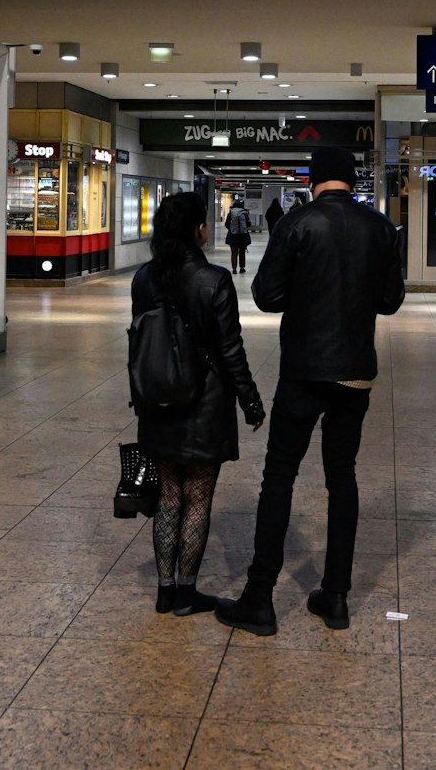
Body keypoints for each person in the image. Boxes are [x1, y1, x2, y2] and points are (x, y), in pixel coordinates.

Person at [218, 147, 404, 637]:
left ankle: (260, 598)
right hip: (355, 373)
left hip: (303, 370)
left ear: (316, 181)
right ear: (350, 181)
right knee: (342, 477)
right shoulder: (381, 228)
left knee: (279, 475)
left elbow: (266, 295)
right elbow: (390, 301)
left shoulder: (296, 224)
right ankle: (336, 597)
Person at [131, 192, 265, 616]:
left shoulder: (144, 278)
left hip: (158, 398)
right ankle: (188, 591)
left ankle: (165, 589)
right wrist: (251, 400)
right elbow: (230, 350)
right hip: (204, 400)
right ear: (196, 230)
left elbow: (139, 342)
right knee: (198, 495)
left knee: (169, 492)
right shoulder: (214, 280)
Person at [223, 200, 252, 273]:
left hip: (233, 236)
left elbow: (226, 224)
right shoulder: (244, 213)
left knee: (234, 253)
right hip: (243, 236)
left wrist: (231, 229)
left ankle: (234, 269)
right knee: (242, 252)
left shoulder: (231, 213)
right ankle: (242, 268)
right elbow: (248, 224)